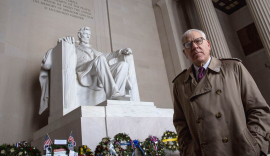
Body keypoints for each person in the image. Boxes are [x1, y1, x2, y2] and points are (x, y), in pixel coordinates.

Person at [172, 29, 270, 156]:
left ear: (208, 45)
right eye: (188, 44)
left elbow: (259, 109)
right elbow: (180, 122)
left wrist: (255, 144)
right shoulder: (179, 83)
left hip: (241, 150)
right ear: (185, 53)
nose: (194, 46)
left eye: (198, 41)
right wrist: (188, 150)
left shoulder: (234, 68)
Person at [62, 27, 132, 100]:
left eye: (89, 34)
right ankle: (113, 92)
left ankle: (117, 95)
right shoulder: (74, 48)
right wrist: (65, 42)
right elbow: (63, 51)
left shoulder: (93, 50)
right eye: (86, 34)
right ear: (79, 35)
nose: (88, 36)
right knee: (100, 59)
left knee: (123, 65)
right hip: (83, 69)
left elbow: (107, 55)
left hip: (97, 67)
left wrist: (121, 52)